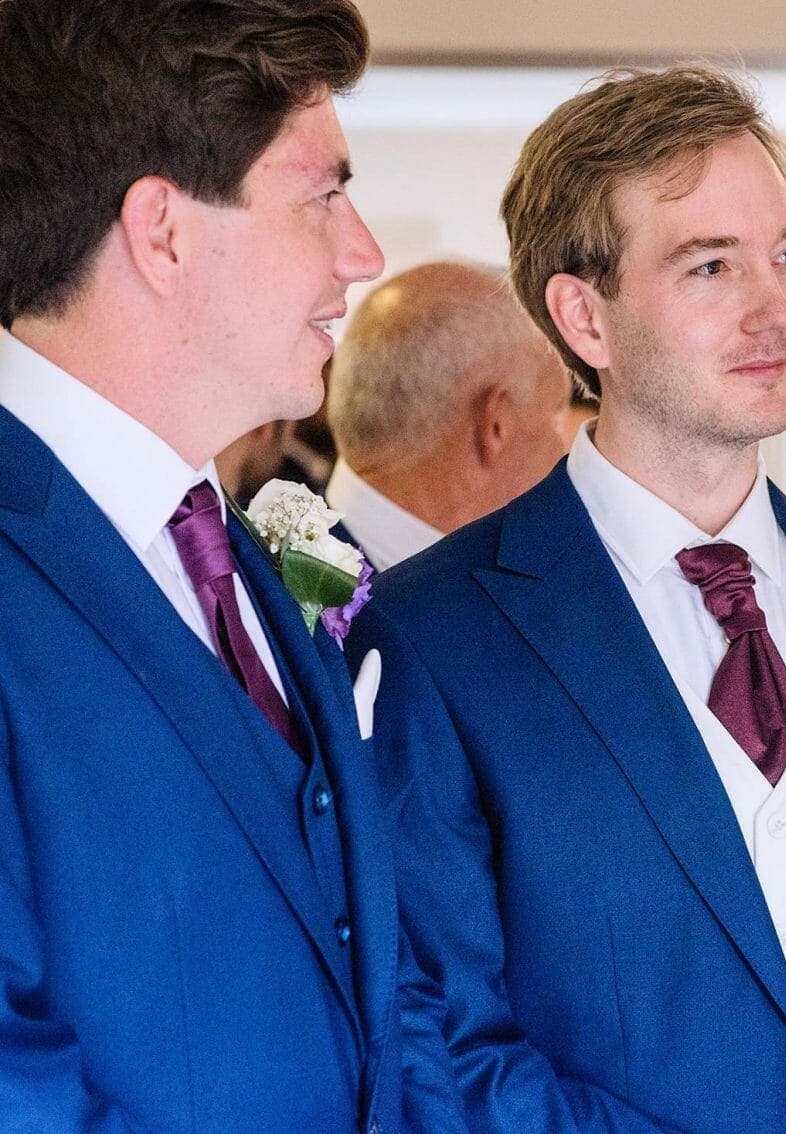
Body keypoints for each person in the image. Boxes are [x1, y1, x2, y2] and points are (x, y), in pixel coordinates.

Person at [346, 65, 786, 1132]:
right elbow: (441, 1034)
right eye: (711, 266)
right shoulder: (426, 637)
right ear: (584, 317)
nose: (778, 309)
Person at [0, 1, 466, 1130]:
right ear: (162, 233)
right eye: (322, 194)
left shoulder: (249, 557)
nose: (363, 253)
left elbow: (375, 985)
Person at [325, 260, 571, 570]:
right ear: (498, 423)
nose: (566, 450)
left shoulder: (265, 576)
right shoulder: (265, 597)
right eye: (557, 416)